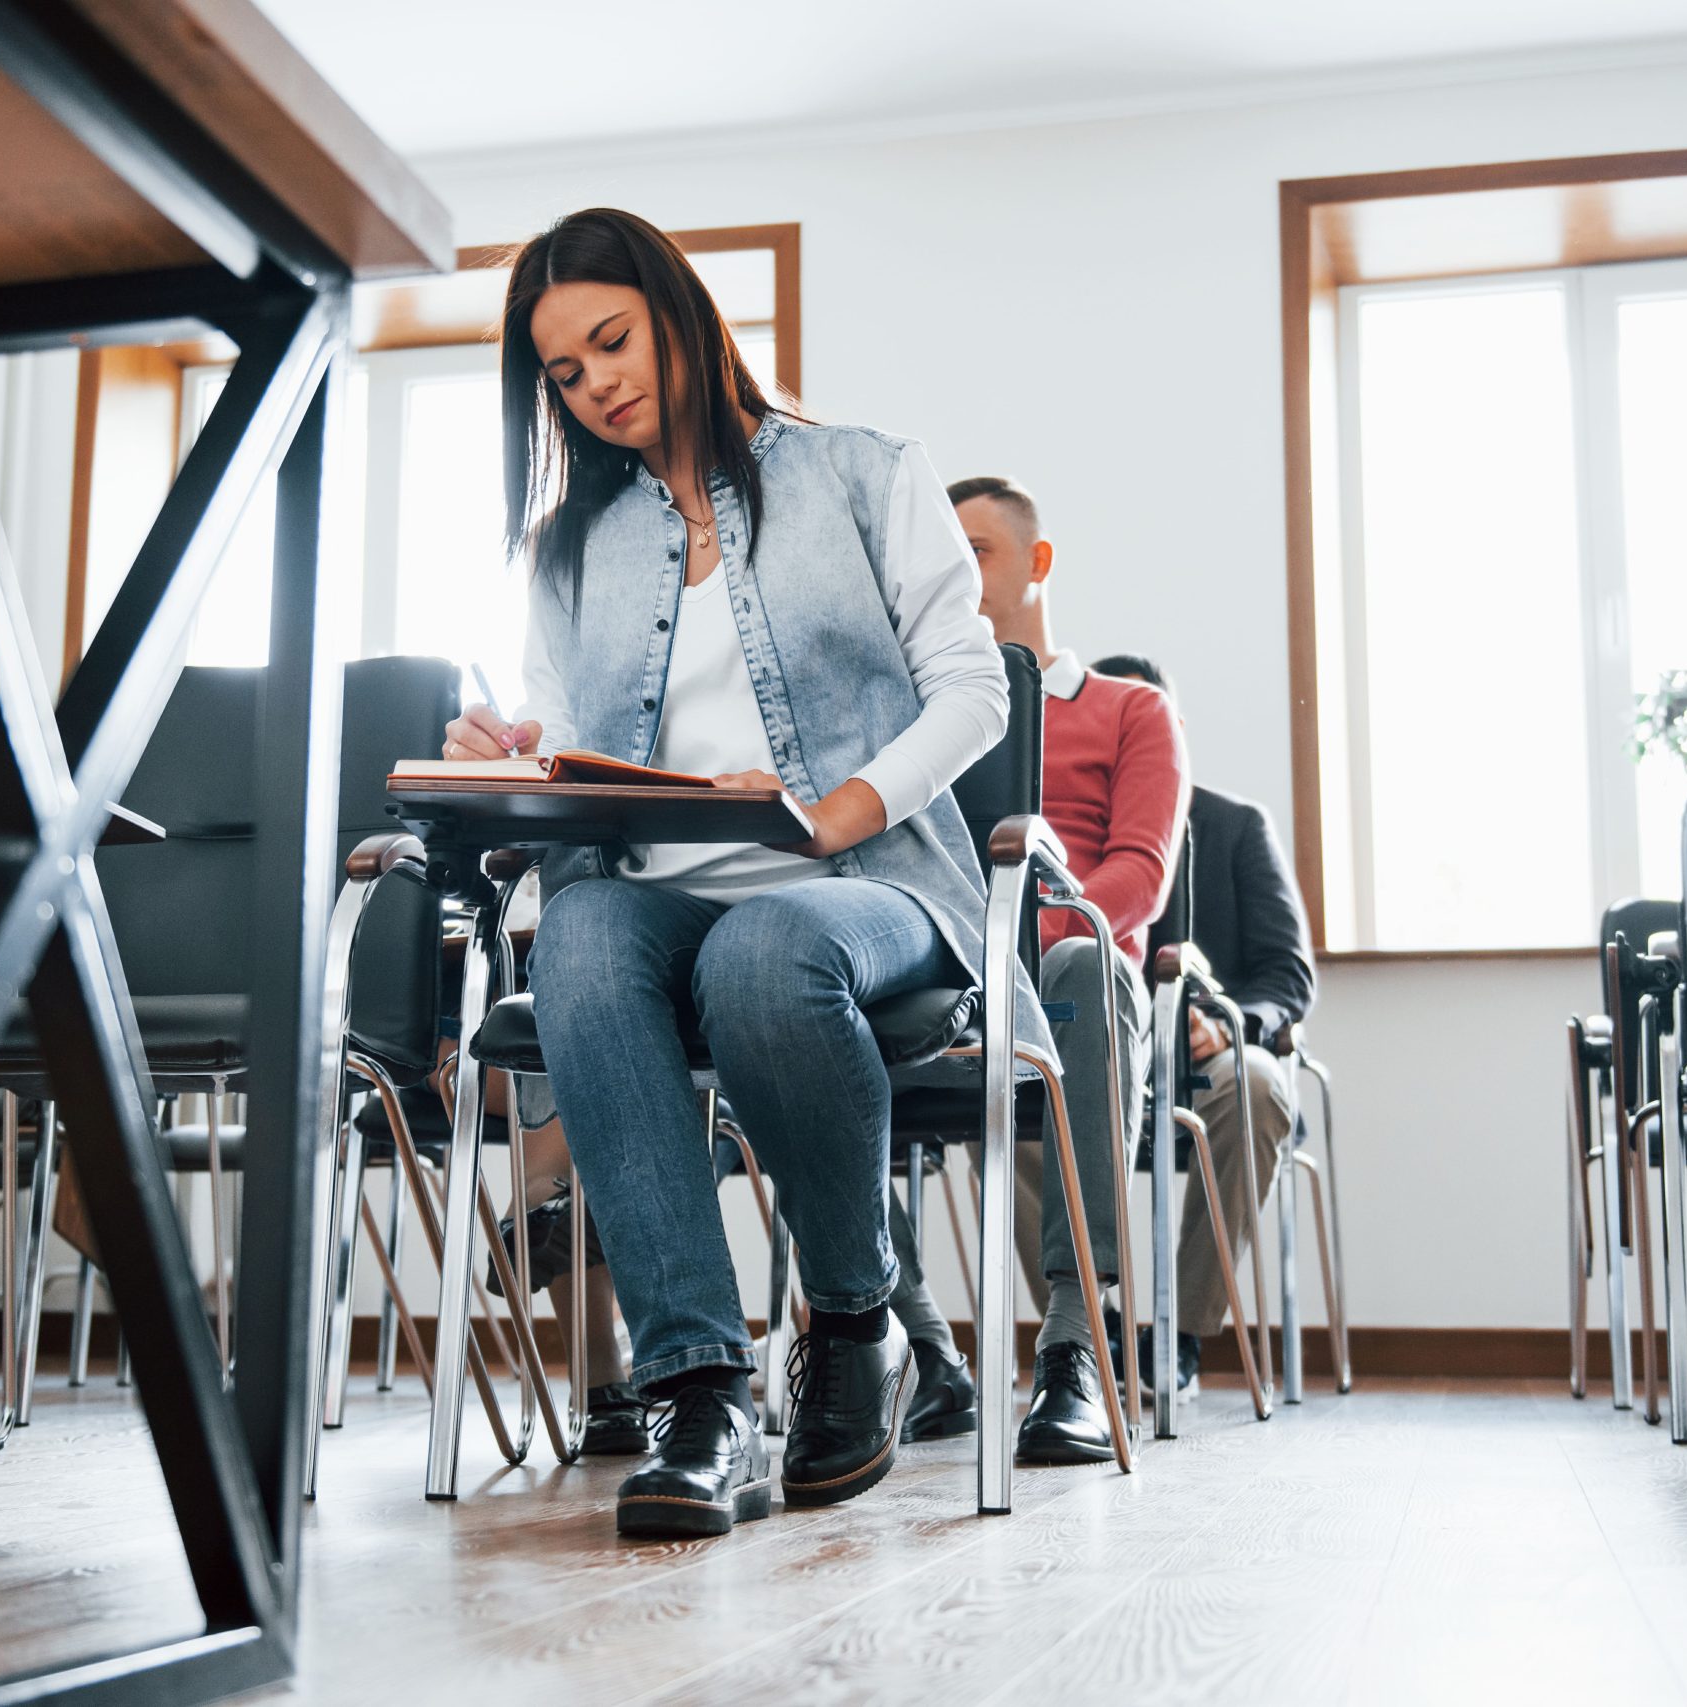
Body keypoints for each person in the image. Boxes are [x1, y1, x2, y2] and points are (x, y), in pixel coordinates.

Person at [443, 208, 1018, 1538]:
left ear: (677, 312)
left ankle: (856, 1323)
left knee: (765, 949)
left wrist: (837, 813)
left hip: (869, 884)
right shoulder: (566, 548)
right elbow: (567, 742)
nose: (601, 385)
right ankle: (698, 1392)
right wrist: (514, 753)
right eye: (567, 375)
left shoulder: (867, 471)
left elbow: (972, 688)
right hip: (656, 895)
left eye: (612, 340)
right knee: (580, 935)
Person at [953, 478, 1189, 1461]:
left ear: (1036, 564)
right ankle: (916, 1339)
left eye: (976, 552)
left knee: (1084, 965)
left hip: (1077, 977)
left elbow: (1135, 873)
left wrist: (1024, 941)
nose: (952, 575)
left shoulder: (1132, 710)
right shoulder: (917, 716)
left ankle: (1074, 1344)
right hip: (951, 974)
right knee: (795, 976)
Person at [1089, 652, 1315, 1401]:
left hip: (1214, 1060)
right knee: (1022, 1090)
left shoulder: (1238, 827)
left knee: (1258, 1084)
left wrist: (1227, 1022)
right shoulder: (1069, 832)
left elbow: (1289, 975)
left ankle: (1179, 1331)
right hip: (1101, 1049)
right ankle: (1092, 1327)